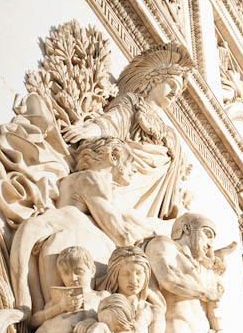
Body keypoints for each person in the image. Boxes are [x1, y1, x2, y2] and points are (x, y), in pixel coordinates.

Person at [61, 43, 195, 222]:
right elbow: (112, 121)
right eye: (171, 85)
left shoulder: (170, 135)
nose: (173, 93)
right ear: (155, 80)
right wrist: (88, 130)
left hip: (149, 194)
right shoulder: (133, 102)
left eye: (177, 92)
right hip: (124, 170)